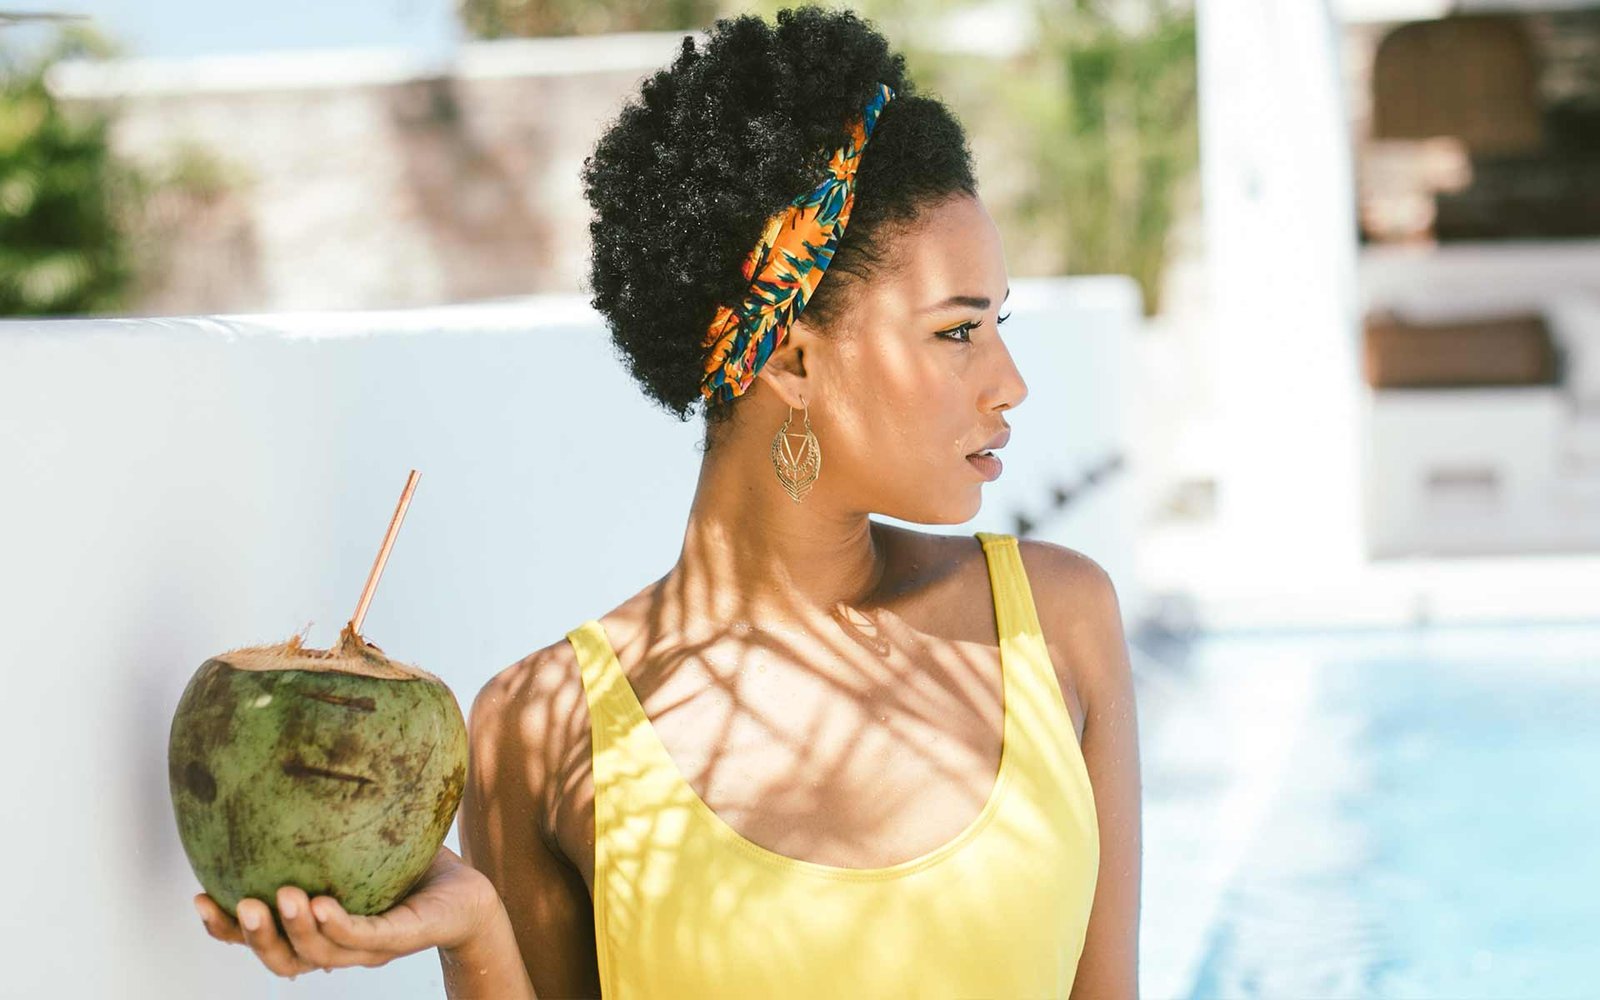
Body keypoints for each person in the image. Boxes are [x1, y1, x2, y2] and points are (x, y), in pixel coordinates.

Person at [194, 6, 1141, 997]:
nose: (1009, 382)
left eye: (998, 324)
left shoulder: (1056, 623)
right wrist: (474, 928)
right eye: (958, 333)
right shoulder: (541, 722)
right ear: (790, 356)